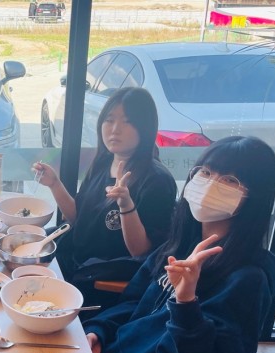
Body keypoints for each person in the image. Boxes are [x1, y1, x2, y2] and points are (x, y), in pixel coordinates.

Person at [84, 136, 275, 353]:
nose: (211, 184)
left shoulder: (248, 280)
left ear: (254, 196)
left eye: (229, 180)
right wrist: (98, 331)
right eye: (206, 172)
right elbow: (133, 303)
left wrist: (186, 302)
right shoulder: (179, 245)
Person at [33, 87, 176, 308]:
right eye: (109, 120)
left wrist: (126, 205)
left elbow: (141, 252)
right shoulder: (103, 162)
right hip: (74, 261)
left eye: (127, 122)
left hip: (99, 282)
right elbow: (78, 218)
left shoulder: (156, 180)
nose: (115, 129)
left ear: (145, 128)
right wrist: (54, 184)